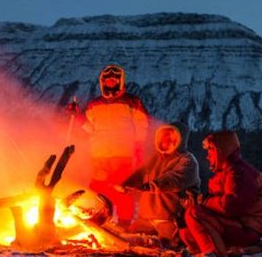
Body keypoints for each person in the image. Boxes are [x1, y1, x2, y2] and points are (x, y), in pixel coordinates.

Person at [69, 64, 149, 225]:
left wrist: (139, 150)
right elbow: (90, 130)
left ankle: (124, 223)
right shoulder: (94, 104)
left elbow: (143, 126)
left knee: (121, 190)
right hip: (99, 155)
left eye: (114, 80)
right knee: (97, 190)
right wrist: (78, 117)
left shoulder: (132, 102)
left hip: (123, 154)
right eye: (108, 81)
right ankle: (99, 220)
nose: (110, 83)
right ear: (102, 83)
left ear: (120, 82)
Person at [180, 130, 262, 257]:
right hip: (236, 225)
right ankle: (202, 252)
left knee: (194, 213)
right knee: (185, 229)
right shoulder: (226, 172)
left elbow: (231, 206)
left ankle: (215, 255)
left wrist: (203, 202)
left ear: (221, 150)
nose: (207, 156)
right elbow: (220, 203)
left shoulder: (239, 173)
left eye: (210, 150)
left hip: (247, 229)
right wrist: (198, 201)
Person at [120, 121, 200, 247]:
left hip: (169, 218)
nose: (167, 141)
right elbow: (140, 174)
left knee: (172, 246)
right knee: (127, 243)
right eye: (164, 138)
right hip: (145, 218)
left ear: (180, 141)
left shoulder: (187, 161)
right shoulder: (154, 158)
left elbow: (174, 179)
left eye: (172, 139)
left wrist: (150, 185)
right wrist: (126, 184)